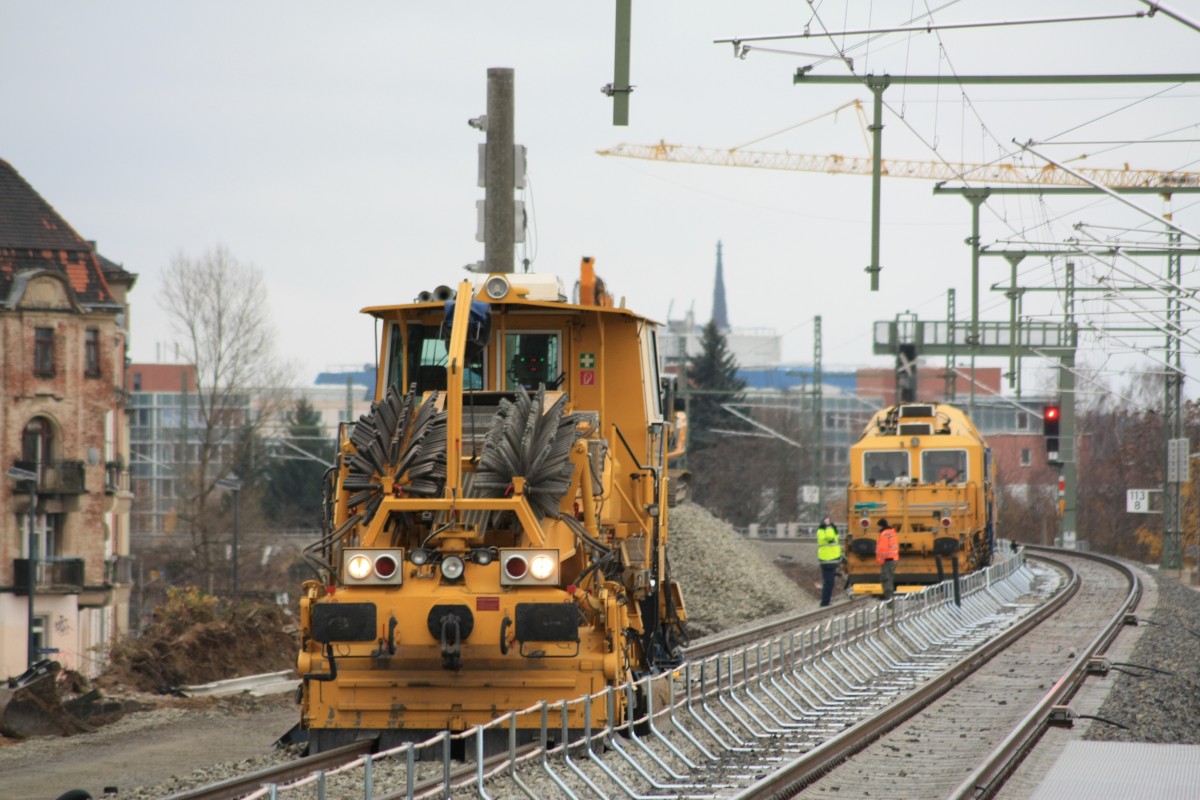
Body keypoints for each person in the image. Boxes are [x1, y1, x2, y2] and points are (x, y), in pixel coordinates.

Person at [816, 516, 842, 607]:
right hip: (828, 560)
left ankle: (826, 600)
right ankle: (825, 602)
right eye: (827, 521)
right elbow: (830, 537)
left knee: (829, 582)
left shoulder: (824, 531)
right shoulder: (824, 531)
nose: (829, 523)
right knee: (829, 582)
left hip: (831, 560)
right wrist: (828, 526)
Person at [876, 518, 899, 600]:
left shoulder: (884, 535)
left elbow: (883, 549)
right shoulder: (892, 533)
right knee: (889, 577)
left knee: (886, 578)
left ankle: (888, 597)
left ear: (881, 526)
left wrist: (880, 560)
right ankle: (889, 596)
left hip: (887, 560)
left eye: (878, 526)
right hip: (893, 558)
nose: (877, 528)